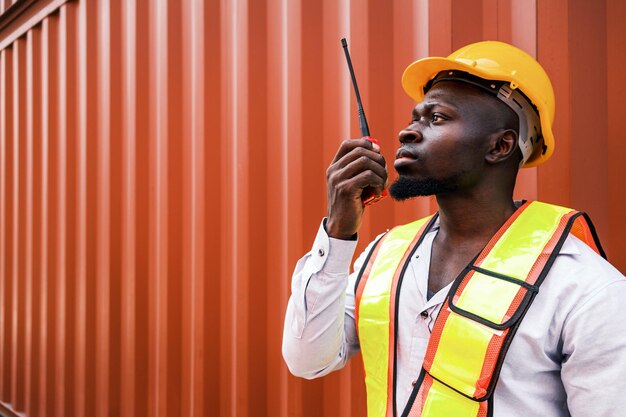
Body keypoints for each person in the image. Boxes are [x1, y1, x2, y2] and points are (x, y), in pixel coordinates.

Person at [281, 41, 626, 417]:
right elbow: (307, 359)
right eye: (415, 117)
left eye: (437, 118)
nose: (407, 132)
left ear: (500, 146)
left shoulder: (586, 289)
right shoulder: (383, 257)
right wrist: (338, 231)